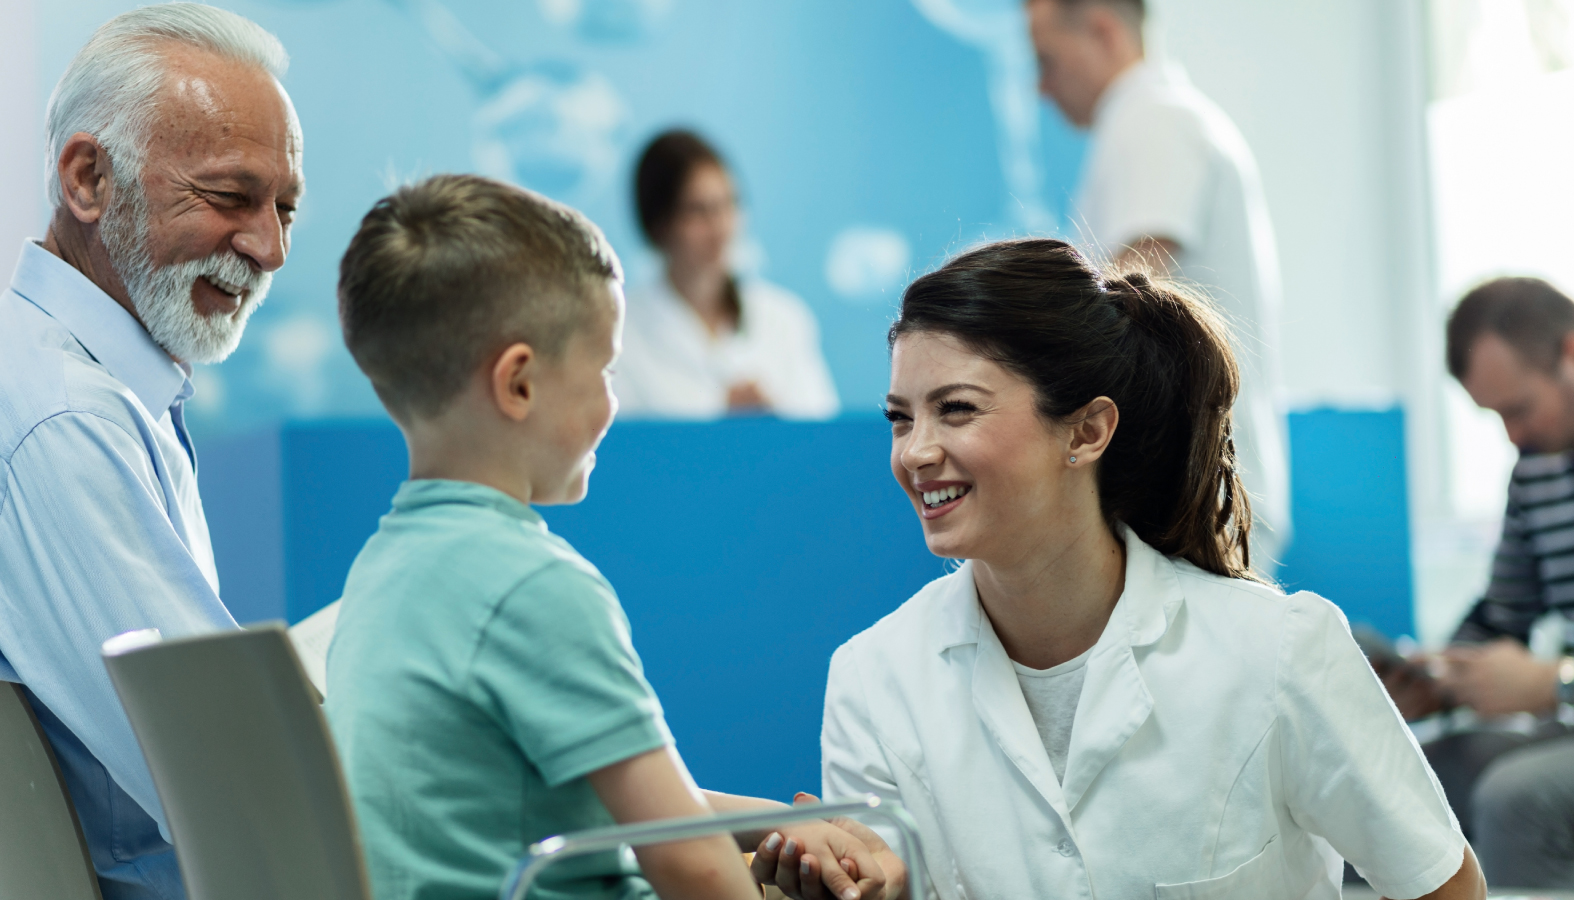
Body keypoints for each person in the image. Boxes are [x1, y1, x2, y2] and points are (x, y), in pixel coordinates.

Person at [820, 239, 1483, 899]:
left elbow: (1444, 887)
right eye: (900, 419)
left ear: (1086, 431)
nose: (915, 452)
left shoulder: (1279, 651)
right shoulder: (874, 682)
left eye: (956, 409)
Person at [325, 174, 900, 900]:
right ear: (520, 384)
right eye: (604, 369)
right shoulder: (534, 585)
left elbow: (603, 800)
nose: (612, 402)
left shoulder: (387, 567)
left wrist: (773, 825)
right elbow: (688, 868)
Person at [0, 7, 302, 898]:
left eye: (285, 207)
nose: (269, 247)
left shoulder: (89, 382)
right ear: (88, 179)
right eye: (228, 197)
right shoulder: (65, 417)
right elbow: (238, 782)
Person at [1027, 0, 1291, 568]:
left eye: (1045, 59)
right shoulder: (1159, 118)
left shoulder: (1151, 119)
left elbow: (1128, 295)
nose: (1041, 88)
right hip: (1189, 481)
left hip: (1185, 487)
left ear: (1101, 27)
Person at [1387, 277, 1574, 889]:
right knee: (1404, 776)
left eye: (1519, 409)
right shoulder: (1537, 471)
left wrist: (1556, 681)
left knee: (1519, 800)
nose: (1512, 436)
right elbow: (1506, 611)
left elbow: (1550, 679)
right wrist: (1441, 676)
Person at [614, 130, 839, 420]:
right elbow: (625, 450)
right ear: (659, 224)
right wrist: (721, 425)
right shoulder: (620, 335)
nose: (720, 228)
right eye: (698, 211)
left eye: (728, 205)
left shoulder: (784, 318)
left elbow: (822, 435)